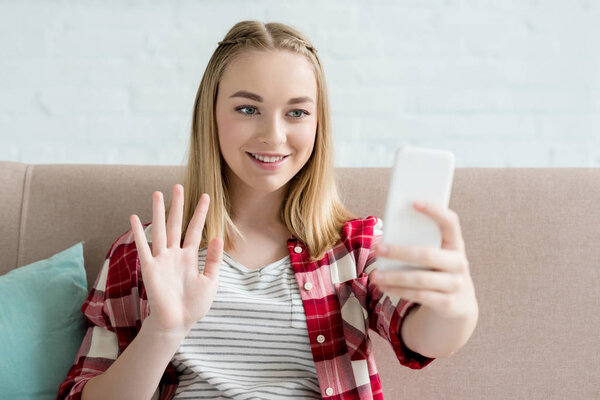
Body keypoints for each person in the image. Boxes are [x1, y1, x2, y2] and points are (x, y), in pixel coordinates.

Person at [57, 20, 478, 400]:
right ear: (212, 116)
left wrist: (455, 306)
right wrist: (162, 331)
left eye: (296, 112)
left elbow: (423, 337)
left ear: (317, 124)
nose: (273, 135)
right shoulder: (145, 252)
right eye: (247, 109)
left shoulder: (354, 250)